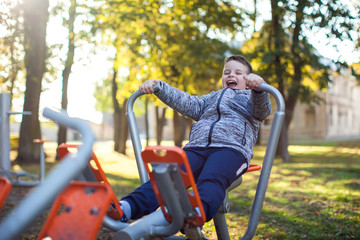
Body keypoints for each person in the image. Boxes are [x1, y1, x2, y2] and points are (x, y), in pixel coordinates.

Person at [118, 55, 271, 224]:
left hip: (231, 150)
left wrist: (259, 88)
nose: (231, 75)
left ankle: (197, 211)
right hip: (196, 148)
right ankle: (127, 207)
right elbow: (187, 102)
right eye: (226, 72)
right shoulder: (210, 99)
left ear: (248, 79)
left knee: (212, 177)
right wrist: (159, 86)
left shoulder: (251, 99)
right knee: (167, 177)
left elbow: (262, 111)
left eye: (238, 73)